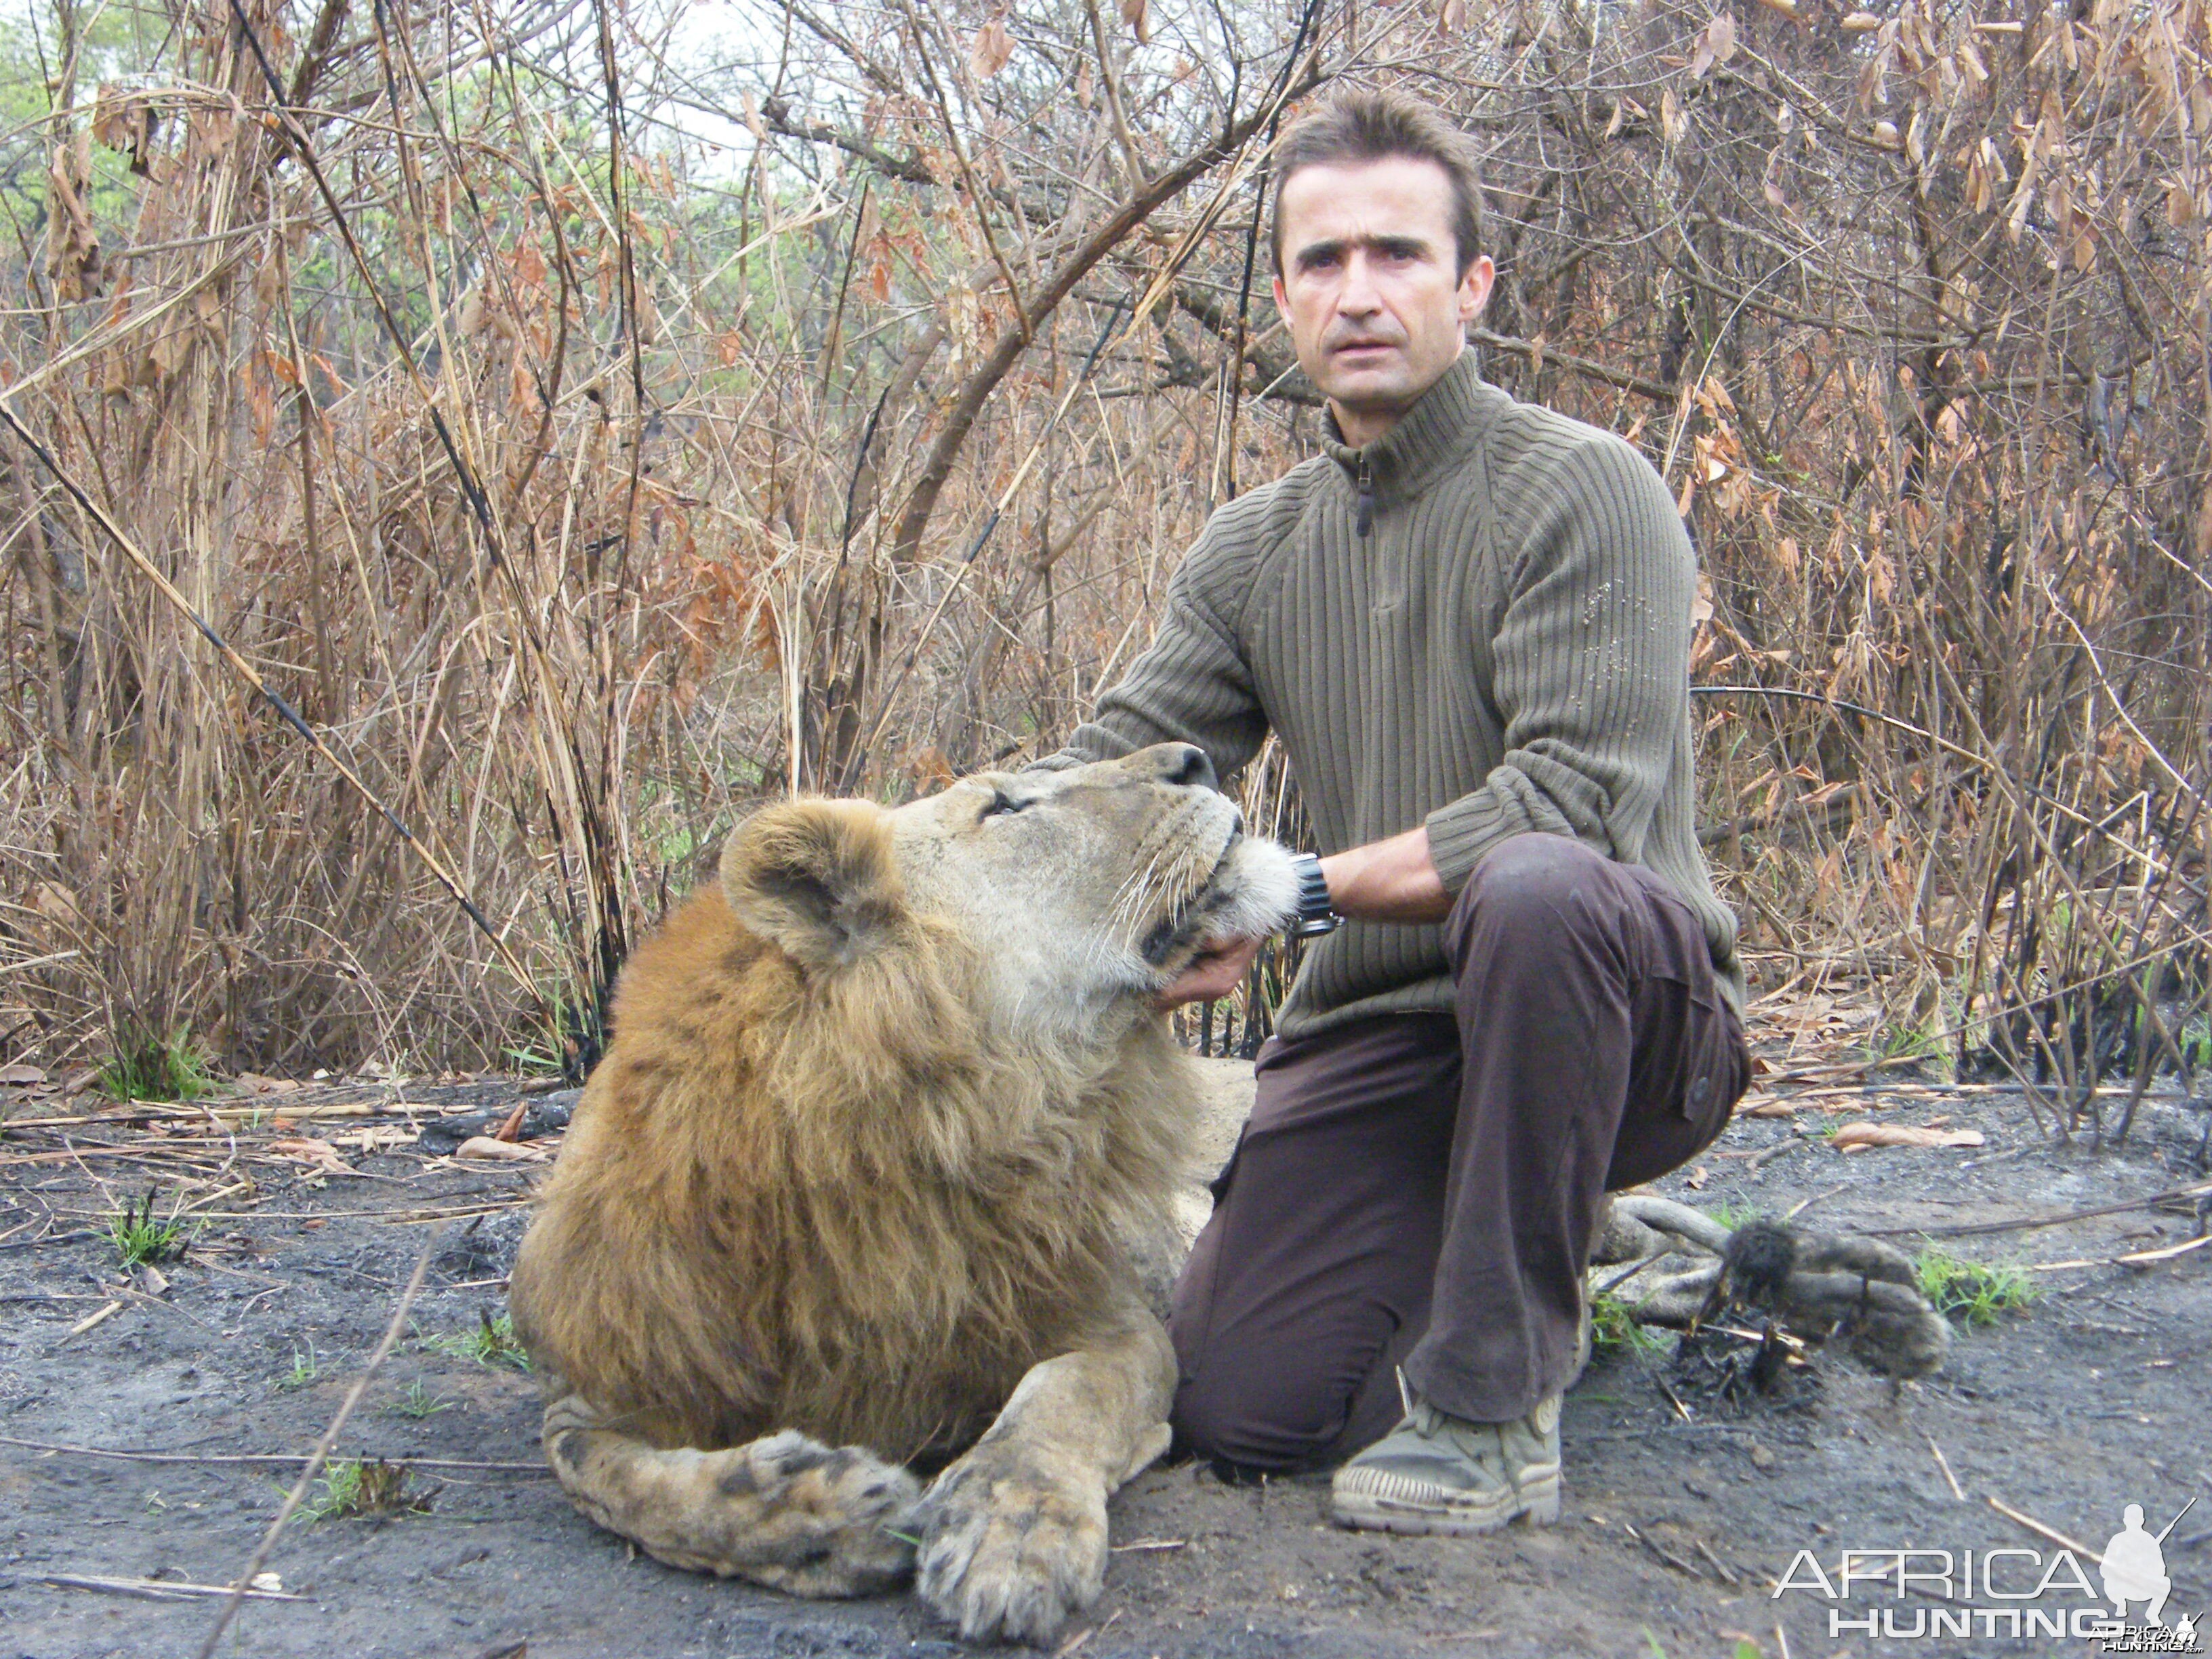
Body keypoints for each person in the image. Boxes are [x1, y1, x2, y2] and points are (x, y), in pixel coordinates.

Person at [1033, 87, 1749, 1536]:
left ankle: (1493, 1413)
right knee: (1247, 1409)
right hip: (1389, 1033)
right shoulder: (1250, 551)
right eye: (1320, 261)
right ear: (1286, 297)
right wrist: (922, 857)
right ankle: (1566, 1254)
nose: (1358, 294)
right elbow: (1114, 773)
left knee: (1537, 885)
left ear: (1473, 284)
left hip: (1620, 1018)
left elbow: (1571, 808)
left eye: (1400, 255)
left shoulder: (1588, 491)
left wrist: (1279, 895)